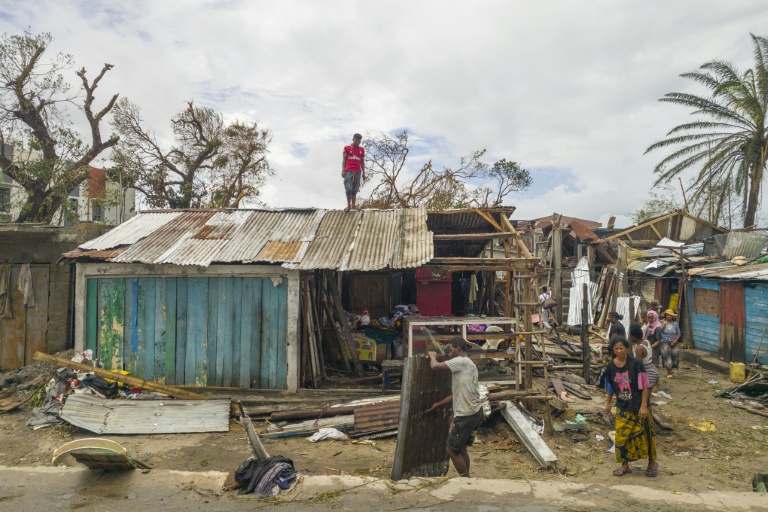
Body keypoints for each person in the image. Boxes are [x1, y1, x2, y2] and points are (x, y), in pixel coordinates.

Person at [427, 337, 483, 477]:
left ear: (458, 349)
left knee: (451, 450)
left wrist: (432, 357)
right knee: (461, 447)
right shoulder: (470, 364)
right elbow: (459, 393)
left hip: (466, 414)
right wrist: (438, 404)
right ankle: (468, 479)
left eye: (451, 349)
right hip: (475, 413)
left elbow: (435, 366)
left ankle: (466, 480)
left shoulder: (461, 361)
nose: (450, 352)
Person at [604, 336, 657, 477]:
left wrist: (644, 405)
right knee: (621, 436)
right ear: (613, 350)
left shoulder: (636, 364)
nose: (619, 351)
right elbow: (610, 386)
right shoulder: (610, 366)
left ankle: (652, 463)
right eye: (616, 349)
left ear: (627, 348)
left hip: (639, 405)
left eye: (621, 348)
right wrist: (608, 402)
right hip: (623, 405)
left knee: (646, 434)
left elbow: (645, 385)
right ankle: (624, 465)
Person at [629, 323, 659, 391]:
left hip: (647, 373)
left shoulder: (639, 348)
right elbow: (653, 357)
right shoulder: (647, 341)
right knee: (647, 396)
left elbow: (638, 365)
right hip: (653, 369)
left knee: (644, 395)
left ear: (633, 337)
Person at [341, 133, 365, 212]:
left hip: (358, 171)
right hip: (348, 170)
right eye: (356, 141)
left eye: (359, 141)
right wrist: (343, 170)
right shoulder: (347, 148)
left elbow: (362, 162)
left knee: (355, 189)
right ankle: (348, 206)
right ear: (353, 139)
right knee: (349, 188)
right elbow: (344, 160)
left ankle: (353, 205)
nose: (357, 143)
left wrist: (364, 173)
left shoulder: (361, 149)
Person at [659, 309, 681, 378]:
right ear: (665, 315)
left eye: (670, 315)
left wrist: (675, 341)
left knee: (675, 355)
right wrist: (665, 324)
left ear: (672, 316)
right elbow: (659, 331)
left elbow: (678, 334)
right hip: (664, 342)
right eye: (667, 315)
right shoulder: (661, 322)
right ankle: (669, 372)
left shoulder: (675, 324)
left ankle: (671, 369)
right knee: (666, 356)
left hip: (673, 342)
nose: (669, 316)